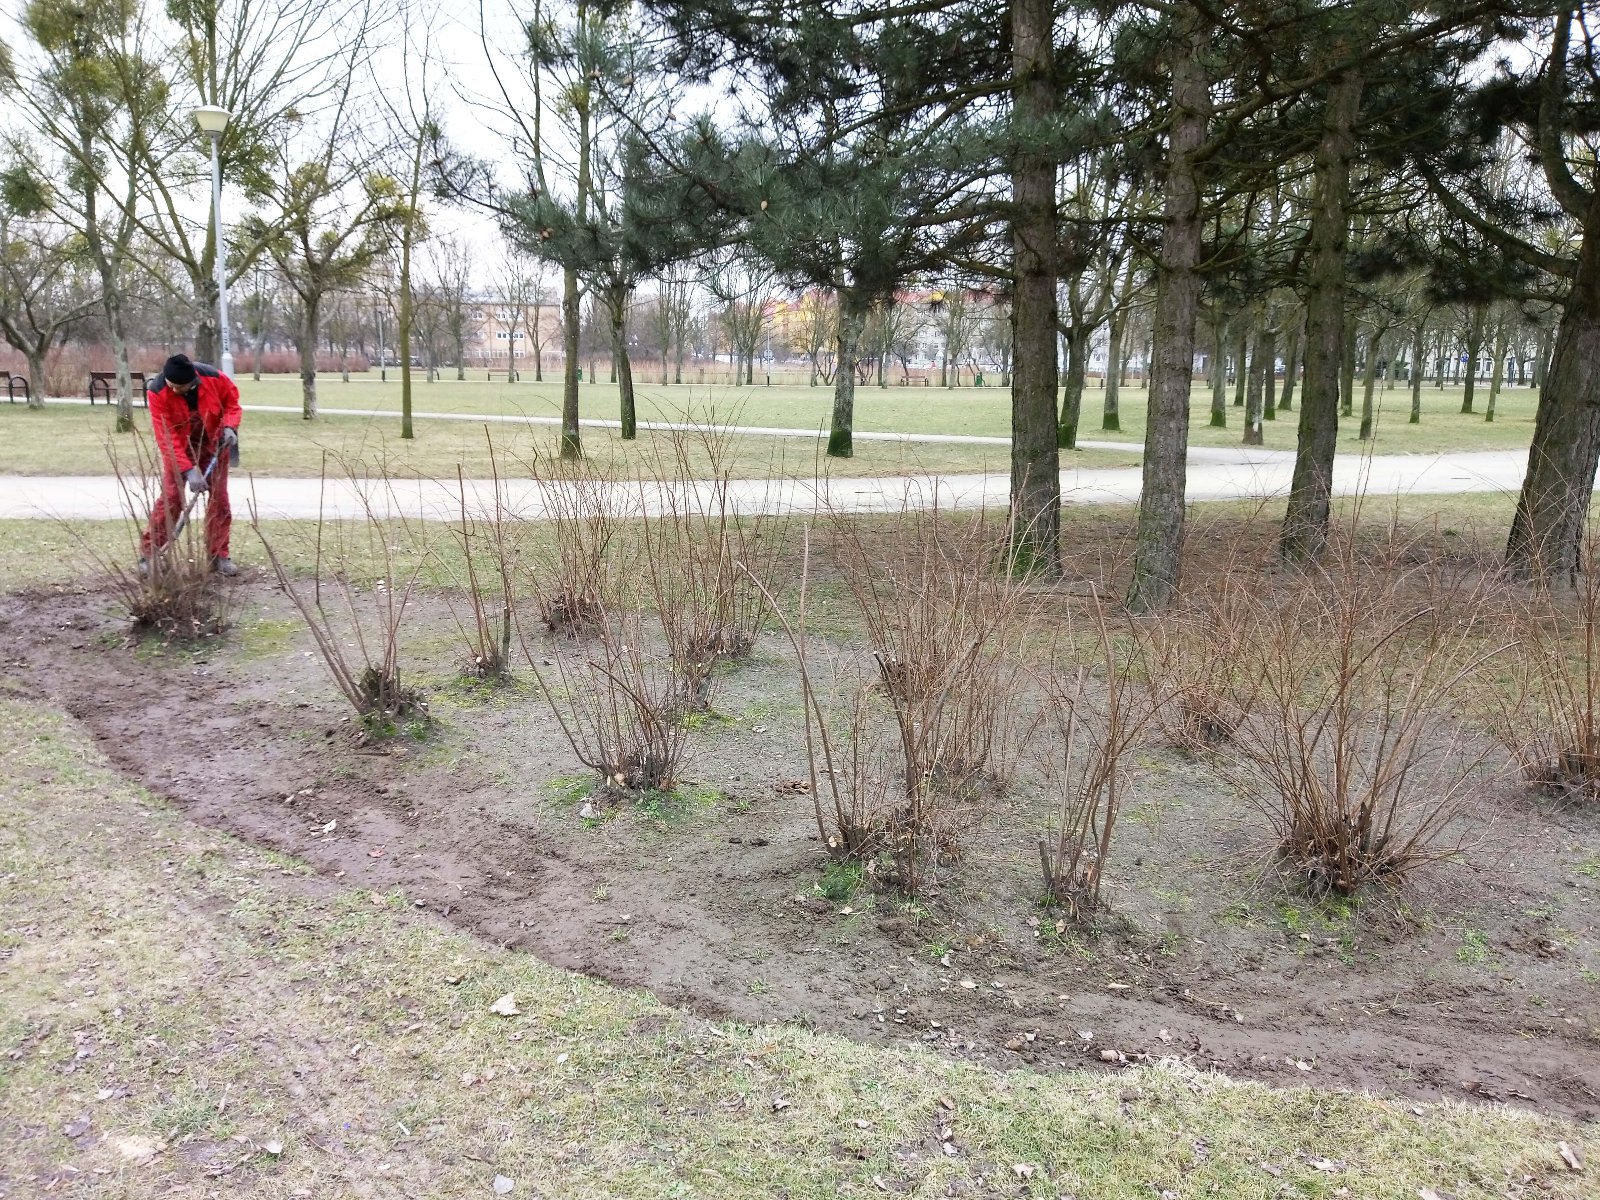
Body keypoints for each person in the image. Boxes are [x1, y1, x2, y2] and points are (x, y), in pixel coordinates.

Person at [139, 353, 242, 576]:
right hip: (178, 448)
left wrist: (230, 427)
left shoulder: (215, 378)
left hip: (213, 444)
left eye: (180, 386)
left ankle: (219, 556)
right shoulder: (157, 391)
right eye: (171, 385)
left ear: (193, 380)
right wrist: (188, 470)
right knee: (172, 498)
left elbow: (232, 404)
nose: (174, 390)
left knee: (220, 501)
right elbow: (167, 437)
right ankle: (150, 555)